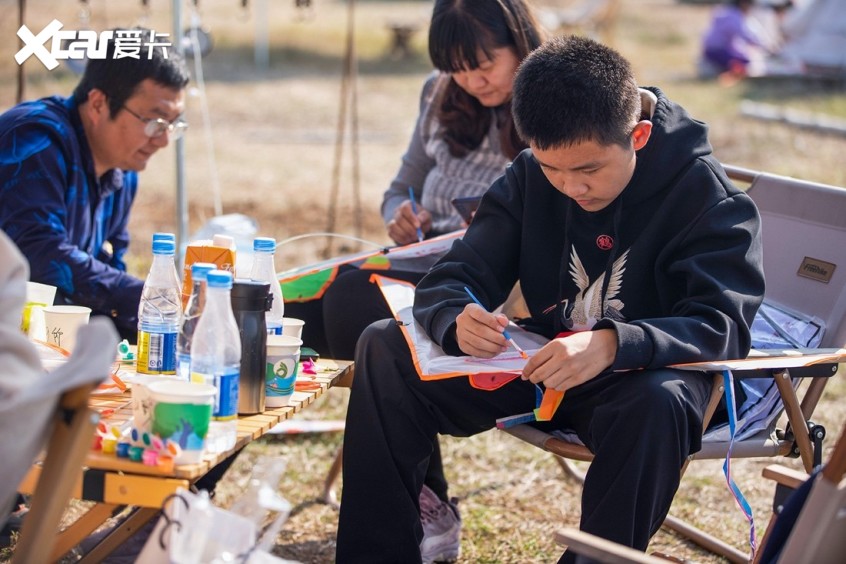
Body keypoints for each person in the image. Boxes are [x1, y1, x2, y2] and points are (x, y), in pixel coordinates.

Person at [335, 35, 765, 563]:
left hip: (633, 386)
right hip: (539, 365)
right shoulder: (530, 176)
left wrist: (611, 344)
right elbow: (457, 272)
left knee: (662, 401)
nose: (570, 188)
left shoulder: (709, 201)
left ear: (641, 136)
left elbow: (723, 323)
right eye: (551, 169)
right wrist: (454, 315)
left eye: (588, 171)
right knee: (385, 346)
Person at [287, 0, 544, 361]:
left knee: (351, 296)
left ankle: (392, 402)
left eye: (485, 66)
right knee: (293, 307)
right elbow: (398, 190)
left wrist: (496, 228)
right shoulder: (439, 93)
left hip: (486, 277)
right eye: (457, 70)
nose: (473, 82)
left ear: (519, 42)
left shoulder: (547, 102)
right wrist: (401, 214)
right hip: (422, 258)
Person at [0, 27, 190, 343]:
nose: (164, 139)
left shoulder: (122, 167)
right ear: (99, 104)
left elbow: (105, 270)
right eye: (155, 121)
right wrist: (147, 299)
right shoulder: (34, 139)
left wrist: (162, 321)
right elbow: (37, 253)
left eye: (173, 124)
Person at [699, 0, 776, 83]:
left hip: (711, 50)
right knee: (745, 61)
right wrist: (765, 47)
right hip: (718, 51)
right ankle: (729, 75)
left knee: (742, 57)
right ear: (743, 3)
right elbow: (745, 36)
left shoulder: (724, 12)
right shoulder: (734, 16)